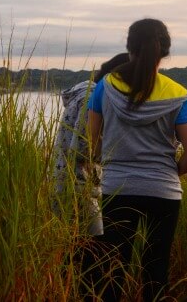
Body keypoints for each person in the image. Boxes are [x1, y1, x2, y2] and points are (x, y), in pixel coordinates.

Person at [85, 19, 187, 301]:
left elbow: (92, 143)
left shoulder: (106, 87)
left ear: (130, 47)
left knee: (113, 266)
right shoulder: (177, 94)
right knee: (156, 268)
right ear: (164, 51)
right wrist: (172, 172)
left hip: (116, 189)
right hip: (163, 191)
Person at [53, 52, 130, 236]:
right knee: (90, 249)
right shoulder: (91, 99)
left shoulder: (86, 93)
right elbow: (82, 146)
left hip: (68, 181)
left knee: (73, 248)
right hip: (80, 185)